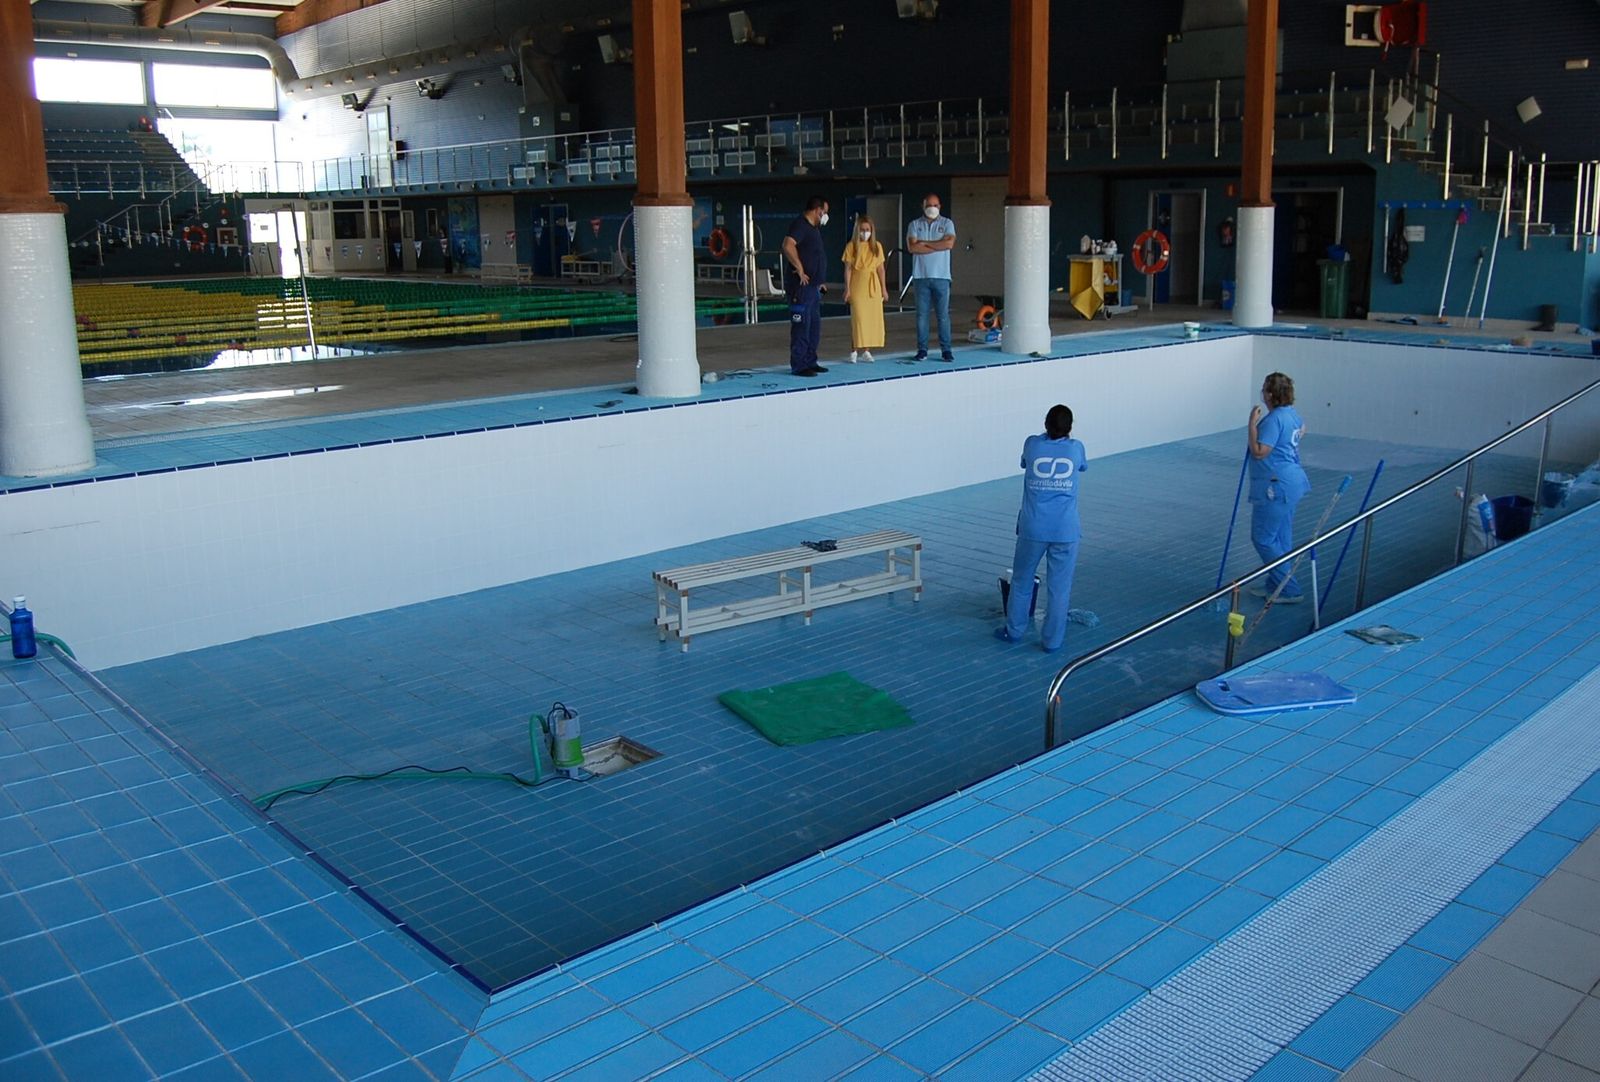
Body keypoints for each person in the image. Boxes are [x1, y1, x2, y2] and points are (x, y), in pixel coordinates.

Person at [996, 405, 1087, 652]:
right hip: (1065, 530)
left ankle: (1014, 631)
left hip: (1033, 528)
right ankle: (1052, 642)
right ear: (1070, 427)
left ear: (1045, 424)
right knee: (1059, 588)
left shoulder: (1032, 445)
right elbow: (1082, 467)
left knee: (1022, 580)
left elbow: (1025, 463)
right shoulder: (1076, 448)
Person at [1248, 371, 1310, 602]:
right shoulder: (1291, 414)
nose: (1262, 393)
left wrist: (1252, 425)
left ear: (1271, 394)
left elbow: (1259, 452)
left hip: (1276, 487)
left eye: (1264, 389)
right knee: (1282, 539)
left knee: (1263, 538)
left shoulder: (1274, 419)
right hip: (1293, 483)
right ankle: (1275, 583)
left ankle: (1289, 588)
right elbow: (1303, 429)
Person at [782, 197, 829, 376]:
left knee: (813, 326)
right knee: (801, 326)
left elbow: (815, 255)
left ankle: (810, 360)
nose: (825, 216)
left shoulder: (813, 228)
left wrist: (820, 279)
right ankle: (799, 365)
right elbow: (788, 245)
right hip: (800, 287)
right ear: (818, 210)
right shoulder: (800, 225)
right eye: (825, 212)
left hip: (814, 287)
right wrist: (800, 268)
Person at [906, 192, 956, 362]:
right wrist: (937, 245)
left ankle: (946, 350)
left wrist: (925, 243)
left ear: (940, 207)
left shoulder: (947, 223)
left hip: (942, 276)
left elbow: (949, 243)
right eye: (929, 205)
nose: (932, 208)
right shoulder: (914, 225)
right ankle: (922, 350)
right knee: (922, 316)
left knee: (943, 316)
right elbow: (912, 248)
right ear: (923, 206)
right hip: (921, 277)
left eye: (935, 205)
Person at [841, 214, 887, 362]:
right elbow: (848, 269)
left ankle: (866, 350)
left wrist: (884, 289)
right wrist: (847, 289)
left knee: (870, 319)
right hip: (858, 286)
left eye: (867, 229)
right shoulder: (851, 246)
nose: (865, 232)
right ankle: (854, 350)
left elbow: (881, 269)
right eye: (862, 229)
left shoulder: (877, 246)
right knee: (859, 319)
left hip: (873, 287)